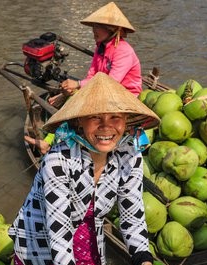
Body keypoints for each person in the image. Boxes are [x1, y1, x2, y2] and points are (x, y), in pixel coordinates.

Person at [10, 72, 170, 265]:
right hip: (41, 244)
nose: (106, 126)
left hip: (89, 241)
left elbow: (133, 216)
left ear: (127, 122)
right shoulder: (58, 160)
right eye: (96, 117)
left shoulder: (129, 155)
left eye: (115, 117)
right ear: (80, 122)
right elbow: (58, 233)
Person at [27, 2, 143, 154]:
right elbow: (92, 76)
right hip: (104, 92)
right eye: (93, 26)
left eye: (98, 26)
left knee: (78, 105)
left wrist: (78, 84)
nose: (94, 30)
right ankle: (50, 141)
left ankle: (50, 142)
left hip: (125, 96)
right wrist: (66, 92)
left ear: (112, 30)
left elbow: (111, 82)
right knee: (72, 99)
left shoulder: (123, 51)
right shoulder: (100, 48)